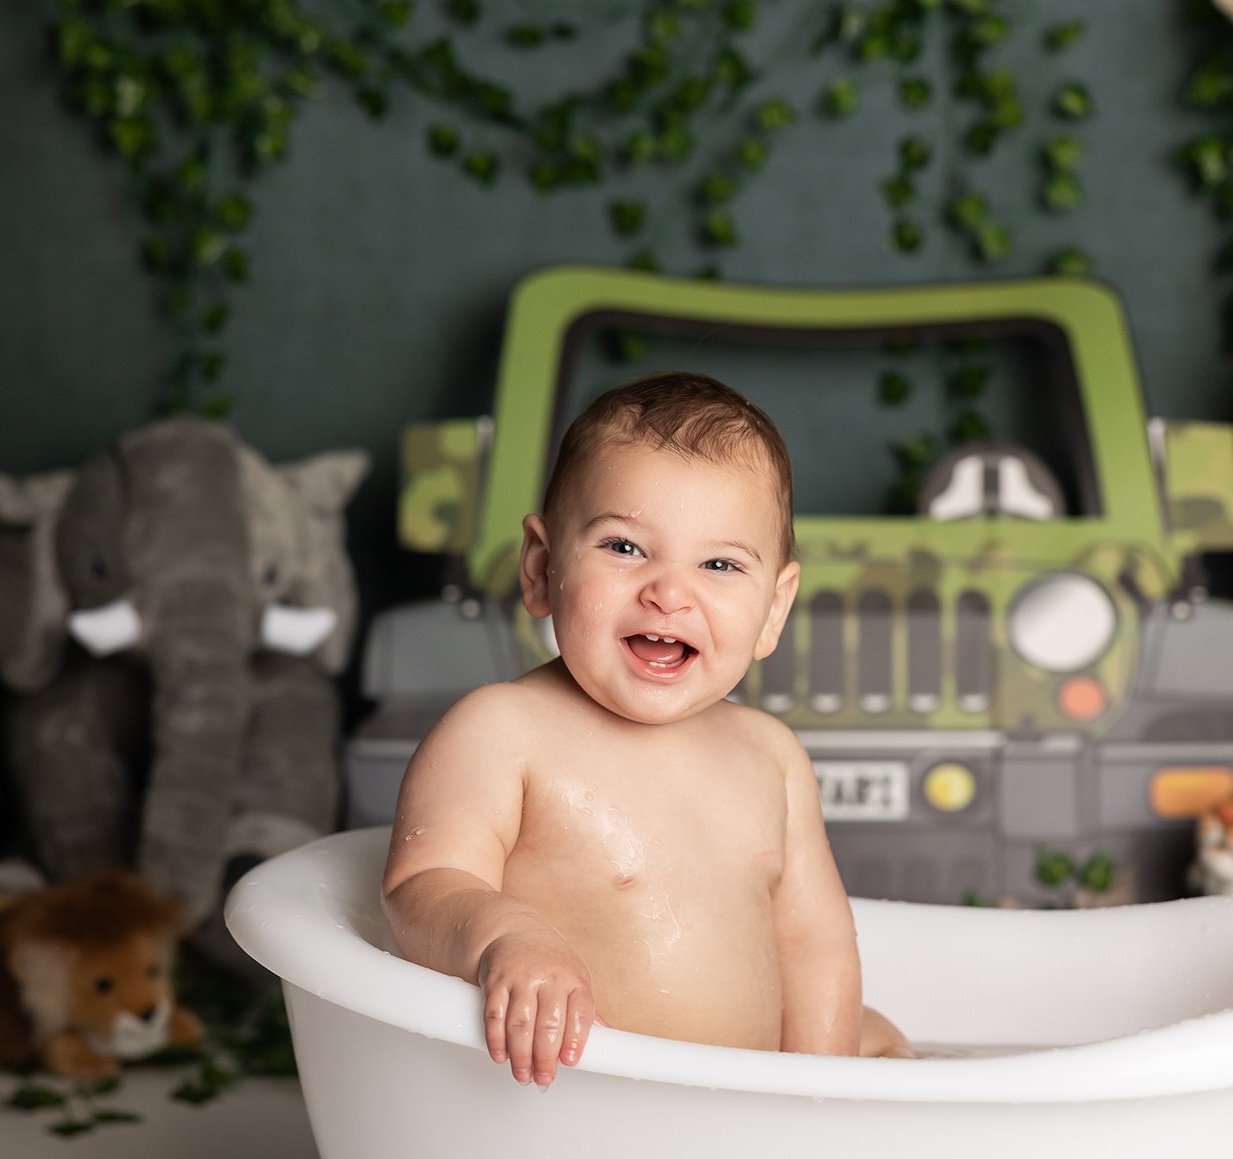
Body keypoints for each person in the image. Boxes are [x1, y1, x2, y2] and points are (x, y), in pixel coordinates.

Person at [381, 370, 912, 1086]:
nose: (668, 592)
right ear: (540, 566)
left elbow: (813, 942)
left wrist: (820, 1091)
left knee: (884, 1042)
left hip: (750, 1101)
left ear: (773, 610)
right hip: (594, 1100)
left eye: (719, 564)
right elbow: (422, 884)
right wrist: (506, 936)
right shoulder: (501, 730)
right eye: (624, 547)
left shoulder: (771, 756)